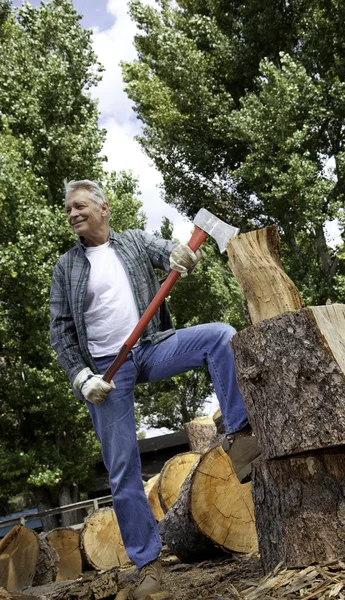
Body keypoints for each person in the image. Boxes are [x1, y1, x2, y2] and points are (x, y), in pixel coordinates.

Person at [50, 179, 260, 599]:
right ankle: (149, 567)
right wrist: (80, 377)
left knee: (219, 336)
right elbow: (60, 331)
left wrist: (180, 254)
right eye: (68, 209)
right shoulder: (66, 266)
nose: (72, 213)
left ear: (104, 208)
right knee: (123, 468)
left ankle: (239, 436)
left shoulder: (130, 242)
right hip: (105, 373)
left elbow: (164, 250)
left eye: (79, 206)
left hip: (149, 347)